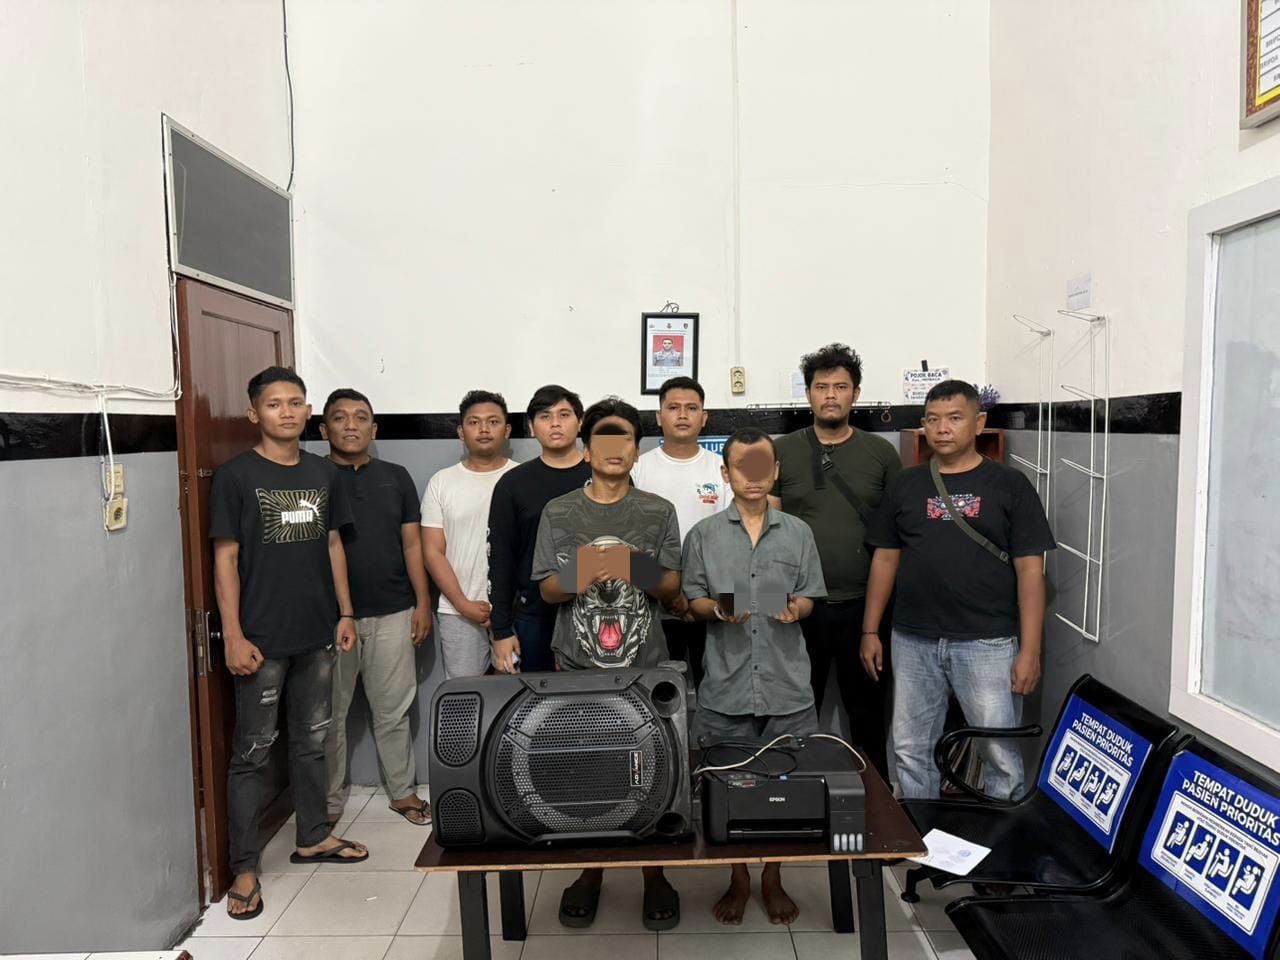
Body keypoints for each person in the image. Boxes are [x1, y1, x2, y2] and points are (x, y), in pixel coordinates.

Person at [209, 367, 369, 921]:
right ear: (254, 413)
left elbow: (333, 544)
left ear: (308, 412)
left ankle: (313, 836)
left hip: (318, 634)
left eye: (296, 402)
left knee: (312, 742)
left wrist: (345, 612)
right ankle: (244, 867)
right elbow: (225, 558)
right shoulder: (235, 476)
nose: (287, 412)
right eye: (274, 404)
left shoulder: (323, 473)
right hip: (260, 640)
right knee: (252, 754)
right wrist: (233, 634)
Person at [860, 379, 1055, 800]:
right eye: (932, 419)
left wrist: (1030, 651)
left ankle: (1003, 834)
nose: (942, 428)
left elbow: (1030, 572)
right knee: (911, 749)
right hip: (913, 639)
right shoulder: (905, 484)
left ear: (979, 422)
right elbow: (885, 559)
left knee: (998, 752)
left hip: (987, 643)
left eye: (954, 418)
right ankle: (921, 831)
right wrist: (871, 630)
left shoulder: (1010, 485)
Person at [531, 397, 683, 931]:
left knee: (652, 770)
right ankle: (590, 872)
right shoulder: (559, 511)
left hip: (645, 666)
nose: (615, 449)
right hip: (577, 665)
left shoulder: (658, 510)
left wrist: (631, 566)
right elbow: (547, 590)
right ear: (586, 449)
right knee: (583, 771)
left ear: (636, 451)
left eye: (625, 440)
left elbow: (672, 587)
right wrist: (582, 573)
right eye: (604, 439)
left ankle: (654, 874)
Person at [683, 426, 827, 925]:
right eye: (743, 467)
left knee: (788, 786)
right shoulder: (703, 535)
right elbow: (692, 599)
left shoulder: (798, 532)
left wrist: (796, 608)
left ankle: (774, 876)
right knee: (727, 787)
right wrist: (719, 609)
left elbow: (809, 596)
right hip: (726, 685)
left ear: (776, 471)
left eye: (763, 466)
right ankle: (739, 876)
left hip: (787, 685)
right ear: (726, 474)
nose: (754, 476)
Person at [770, 343, 901, 776]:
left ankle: (877, 803)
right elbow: (765, 532)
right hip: (797, 609)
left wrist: (873, 626)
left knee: (868, 717)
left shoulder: (881, 454)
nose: (831, 395)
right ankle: (791, 796)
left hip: (866, 608)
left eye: (840, 387)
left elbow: (894, 537)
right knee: (790, 718)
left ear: (855, 394)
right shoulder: (780, 451)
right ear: (808, 393)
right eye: (821, 386)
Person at [319, 388, 432, 827]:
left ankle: (402, 792)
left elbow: (412, 544)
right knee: (330, 715)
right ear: (324, 429)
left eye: (361, 417)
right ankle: (329, 802)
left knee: (393, 711)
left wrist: (421, 602)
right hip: (330, 620)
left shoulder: (396, 477)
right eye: (340, 417)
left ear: (375, 429)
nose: (351, 425)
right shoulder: (311, 476)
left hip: (394, 610)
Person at [631, 375, 730, 687]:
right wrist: (671, 596)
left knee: (713, 689)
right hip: (653, 604)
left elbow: (729, 538)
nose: (683, 415)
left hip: (711, 604)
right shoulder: (638, 469)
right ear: (659, 417)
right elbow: (632, 540)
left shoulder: (722, 469)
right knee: (657, 693)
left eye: (692, 408)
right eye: (673, 408)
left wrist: (697, 599)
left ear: (704, 417)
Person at [487, 385, 591, 673]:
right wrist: (501, 630)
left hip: (596, 612)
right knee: (536, 700)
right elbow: (501, 560)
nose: (555, 423)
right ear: (532, 427)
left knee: (598, 698)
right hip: (534, 615)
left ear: (580, 423)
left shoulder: (604, 475)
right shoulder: (513, 484)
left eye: (564, 415)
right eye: (545, 416)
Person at [422, 390, 520, 677]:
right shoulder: (442, 482)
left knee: (515, 695)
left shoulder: (523, 478)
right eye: (474, 422)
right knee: (465, 696)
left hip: (515, 612)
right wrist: (463, 604)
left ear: (507, 430)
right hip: (458, 612)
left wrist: (508, 606)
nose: (484, 429)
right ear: (461, 432)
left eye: (493, 422)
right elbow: (432, 552)